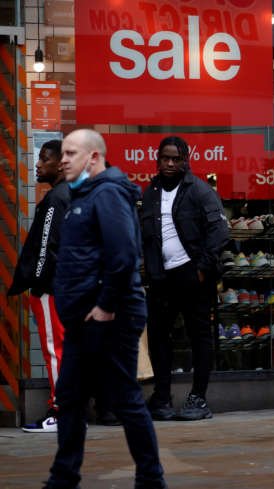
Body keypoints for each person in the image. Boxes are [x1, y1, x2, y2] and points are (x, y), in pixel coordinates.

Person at [44, 129, 166, 489]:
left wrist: (105, 306)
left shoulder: (108, 193)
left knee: (125, 398)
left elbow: (123, 255)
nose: (63, 159)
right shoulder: (84, 196)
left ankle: (151, 478)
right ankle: (63, 478)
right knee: (69, 398)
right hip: (85, 319)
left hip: (110, 317)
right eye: (62, 153)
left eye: (70, 153)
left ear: (93, 157)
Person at [141, 136, 229, 421]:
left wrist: (202, 267)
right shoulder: (151, 191)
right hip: (160, 277)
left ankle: (198, 398)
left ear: (185, 161)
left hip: (192, 274)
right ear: (158, 159)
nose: (169, 163)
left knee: (199, 336)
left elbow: (219, 231)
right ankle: (162, 397)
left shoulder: (198, 190)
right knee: (158, 337)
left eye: (175, 159)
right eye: (165, 158)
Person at [8, 140, 68, 433]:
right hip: (64, 286)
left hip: (50, 289)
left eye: (44, 159)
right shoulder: (68, 194)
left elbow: (47, 246)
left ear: (60, 164)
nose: (37, 164)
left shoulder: (56, 198)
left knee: (53, 349)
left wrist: (39, 284)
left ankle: (59, 411)